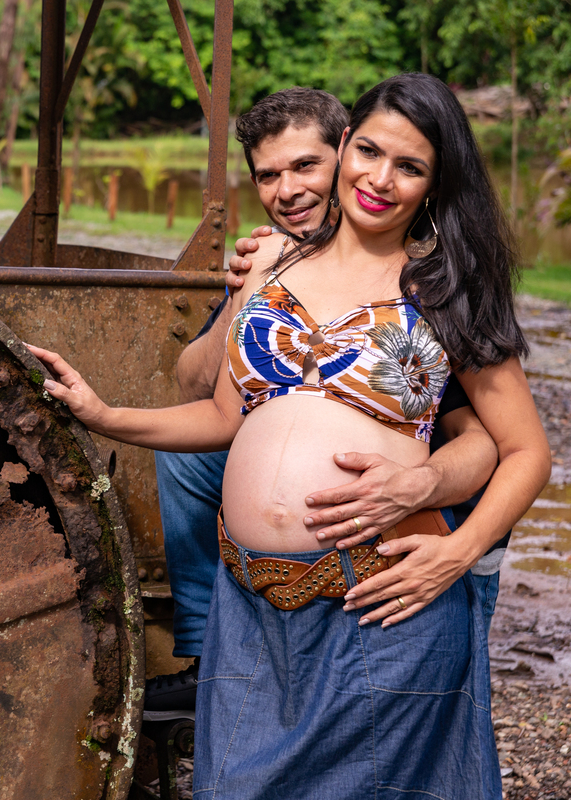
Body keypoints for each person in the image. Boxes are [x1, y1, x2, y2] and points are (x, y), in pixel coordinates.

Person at [29, 73, 550, 798]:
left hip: (379, 607)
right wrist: (106, 414)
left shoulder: (444, 286)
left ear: (435, 183)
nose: (379, 178)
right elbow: (220, 414)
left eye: (410, 167)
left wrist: (458, 554)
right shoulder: (274, 266)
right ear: (345, 145)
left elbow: (525, 450)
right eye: (368, 151)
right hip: (250, 609)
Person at [146, 87, 502, 722]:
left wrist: (430, 495)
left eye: (305, 166)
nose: (288, 191)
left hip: (414, 488)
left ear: (343, 154)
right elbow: (193, 382)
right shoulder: (276, 265)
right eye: (268, 176)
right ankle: (206, 652)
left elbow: (484, 432)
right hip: (294, 500)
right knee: (186, 462)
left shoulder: (420, 277)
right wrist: (245, 294)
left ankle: (438, 632)